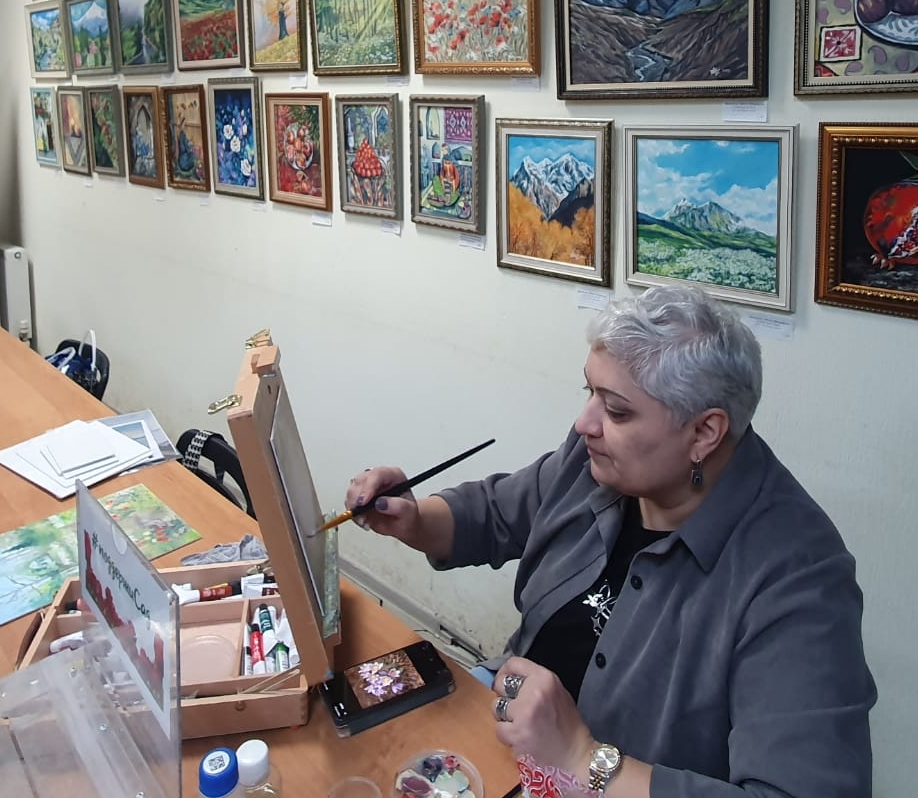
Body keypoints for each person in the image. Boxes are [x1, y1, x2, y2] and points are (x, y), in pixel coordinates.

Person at [346, 284, 874, 797]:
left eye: (617, 411)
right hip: (511, 732)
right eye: (589, 393)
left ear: (704, 433)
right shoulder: (596, 462)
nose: (585, 423)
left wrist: (582, 757)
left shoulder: (796, 576)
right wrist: (412, 518)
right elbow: (497, 513)